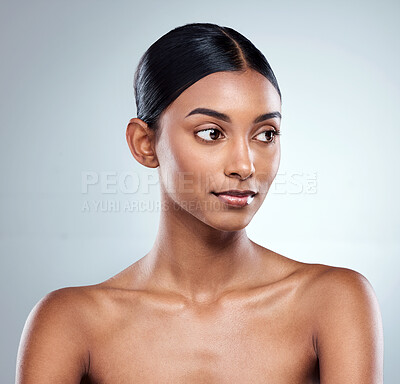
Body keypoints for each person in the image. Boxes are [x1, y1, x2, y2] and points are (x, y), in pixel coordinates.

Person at [16, 22, 383, 383]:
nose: (244, 165)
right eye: (211, 133)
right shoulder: (69, 323)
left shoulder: (334, 301)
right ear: (145, 143)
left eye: (265, 134)